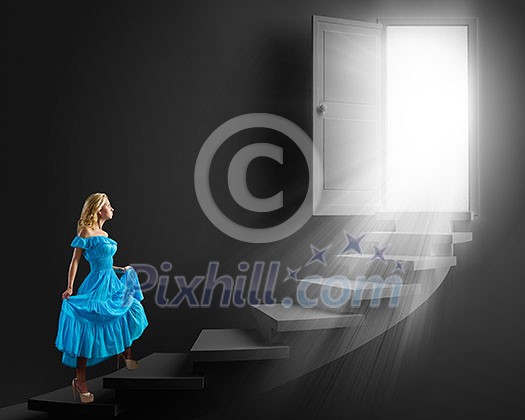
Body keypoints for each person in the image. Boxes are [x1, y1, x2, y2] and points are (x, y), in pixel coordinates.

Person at [55, 192, 149, 403]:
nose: (112, 209)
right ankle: (80, 380)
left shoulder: (104, 235)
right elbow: (75, 262)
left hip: (111, 281)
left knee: (129, 308)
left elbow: (106, 264)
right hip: (96, 285)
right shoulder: (86, 232)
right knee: (89, 327)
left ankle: (125, 352)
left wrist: (121, 269)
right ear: (99, 209)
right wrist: (70, 287)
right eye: (109, 205)